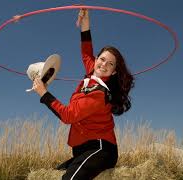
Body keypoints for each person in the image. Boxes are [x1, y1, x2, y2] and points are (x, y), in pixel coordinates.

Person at [32, 9, 135, 180]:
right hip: (81, 150)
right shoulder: (92, 73)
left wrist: (44, 94)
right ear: (96, 60)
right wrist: (85, 24)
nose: (103, 65)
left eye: (110, 64)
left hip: (100, 148)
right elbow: (86, 52)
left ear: (114, 71)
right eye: (102, 59)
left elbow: (68, 115)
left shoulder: (99, 93)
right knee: (53, 175)